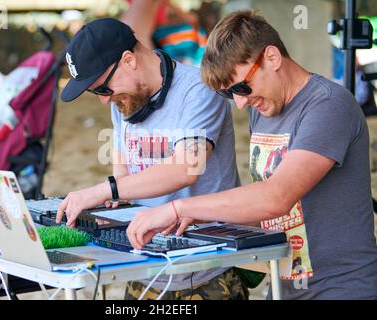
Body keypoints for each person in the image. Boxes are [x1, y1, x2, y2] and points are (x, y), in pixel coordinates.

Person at [126, 11, 377, 300]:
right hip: (283, 287)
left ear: (272, 57)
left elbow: (276, 198)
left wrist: (179, 209)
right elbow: (264, 212)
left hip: (339, 289)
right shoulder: (265, 106)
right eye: (228, 95)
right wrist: (201, 222)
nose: (242, 103)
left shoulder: (328, 106)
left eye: (242, 87)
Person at [58, 18, 247, 300]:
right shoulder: (124, 101)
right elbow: (123, 179)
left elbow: (187, 167)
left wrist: (104, 190)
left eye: (102, 89)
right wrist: (105, 202)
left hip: (207, 271)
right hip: (145, 270)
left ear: (128, 60)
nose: (104, 100)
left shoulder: (198, 90)